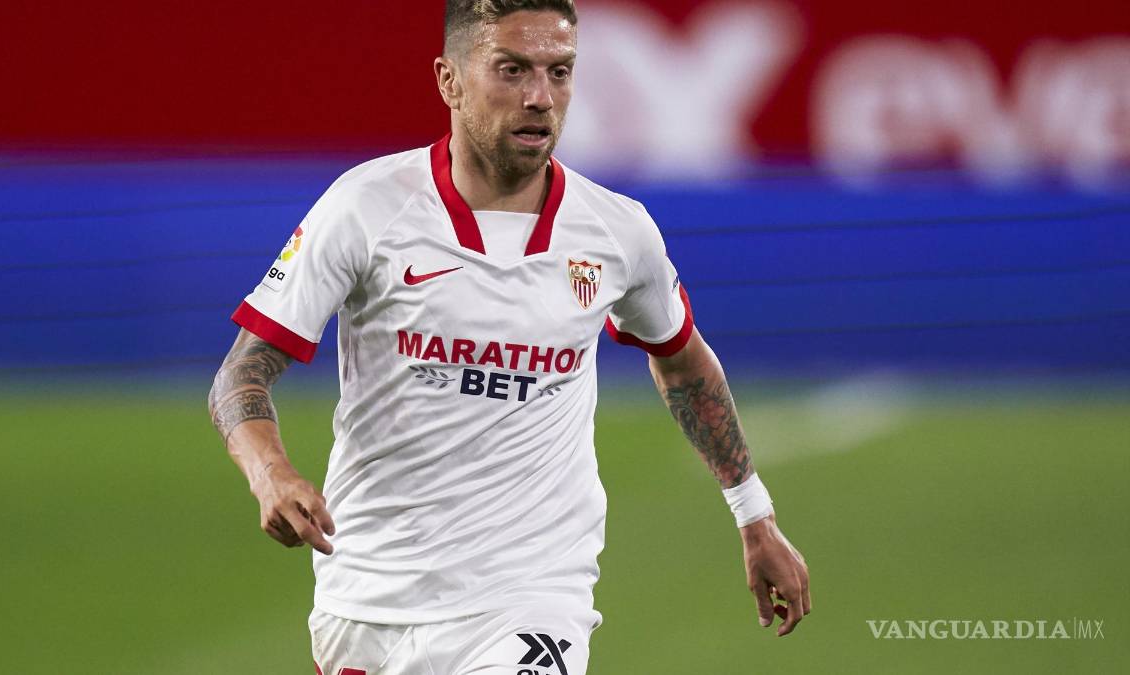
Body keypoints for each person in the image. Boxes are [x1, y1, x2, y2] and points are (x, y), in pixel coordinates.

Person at [207, 1, 810, 673]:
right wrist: (272, 474)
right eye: (512, 70)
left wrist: (754, 513)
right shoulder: (366, 207)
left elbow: (685, 365)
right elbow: (241, 373)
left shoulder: (616, 231)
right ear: (449, 81)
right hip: (368, 598)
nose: (540, 97)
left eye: (560, 72)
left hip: (533, 597)